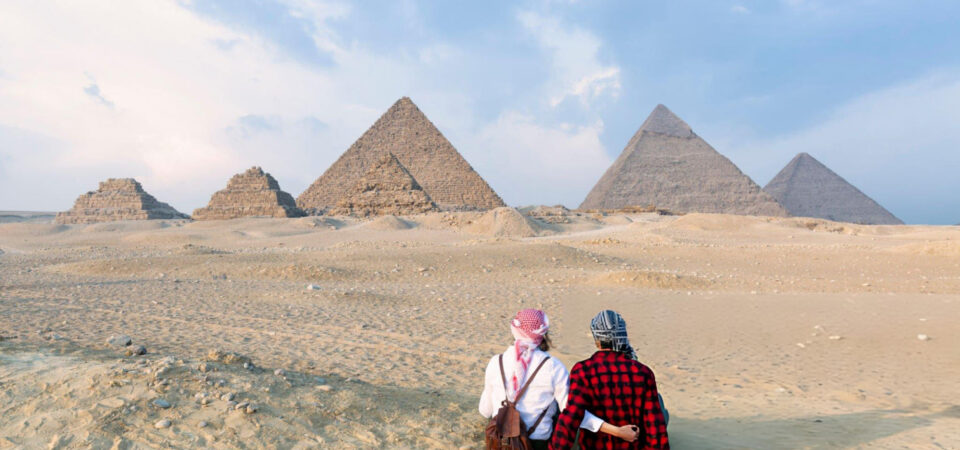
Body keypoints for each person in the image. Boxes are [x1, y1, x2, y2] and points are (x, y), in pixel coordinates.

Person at [480, 309, 641, 449]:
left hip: (500, 441)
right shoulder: (553, 366)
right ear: (543, 334)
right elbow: (574, 413)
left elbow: (485, 410)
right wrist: (617, 431)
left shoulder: (496, 362)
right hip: (537, 443)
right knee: (561, 410)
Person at [549, 310, 669, 450]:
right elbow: (655, 427)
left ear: (597, 340)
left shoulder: (583, 371)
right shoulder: (643, 372)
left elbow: (572, 418)